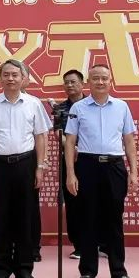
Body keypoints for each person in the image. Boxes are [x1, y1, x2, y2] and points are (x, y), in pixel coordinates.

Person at [64, 64, 139, 278]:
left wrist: (133, 171)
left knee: (114, 220)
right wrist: (70, 174)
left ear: (110, 81)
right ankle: (88, 271)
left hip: (114, 167)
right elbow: (70, 141)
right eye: (95, 78)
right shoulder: (78, 107)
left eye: (104, 78)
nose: (100, 82)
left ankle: (118, 271)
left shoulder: (121, 107)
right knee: (88, 219)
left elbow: (129, 141)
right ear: (89, 82)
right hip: (87, 165)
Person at [0, 59, 50, 278]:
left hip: (26, 164)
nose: (10, 78)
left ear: (23, 78)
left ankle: (24, 268)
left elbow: (41, 137)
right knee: (1, 217)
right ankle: (1, 269)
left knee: (25, 217)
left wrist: (40, 167)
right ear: (0, 78)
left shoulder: (33, 103)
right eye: (6, 74)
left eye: (15, 75)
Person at [48, 69, 86, 259]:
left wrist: (84, 148)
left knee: (96, 201)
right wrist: (73, 147)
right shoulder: (60, 108)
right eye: (67, 82)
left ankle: (101, 244)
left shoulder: (92, 104)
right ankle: (79, 244)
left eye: (73, 82)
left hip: (91, 159)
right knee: (73, 202)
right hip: (70, 160)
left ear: (82, 84)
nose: (69, 85)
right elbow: (58, 133)